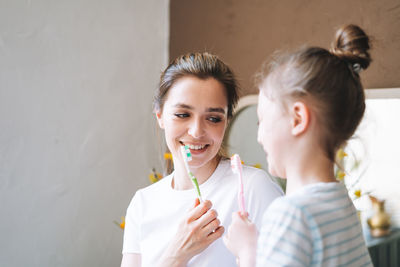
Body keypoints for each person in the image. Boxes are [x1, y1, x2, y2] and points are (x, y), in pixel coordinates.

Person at [223, 24, 373, 266]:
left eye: (261, 121)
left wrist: (248, 253)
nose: (259, 136)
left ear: (298, 119)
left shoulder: (289, 214)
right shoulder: (340, 202)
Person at [121, 52, 283, 267]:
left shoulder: (253, 188)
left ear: (226, 122)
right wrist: (177, 255)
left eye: (213, 118)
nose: (197, 132)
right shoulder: (142, 204)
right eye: (182, 114)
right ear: (160, 115)